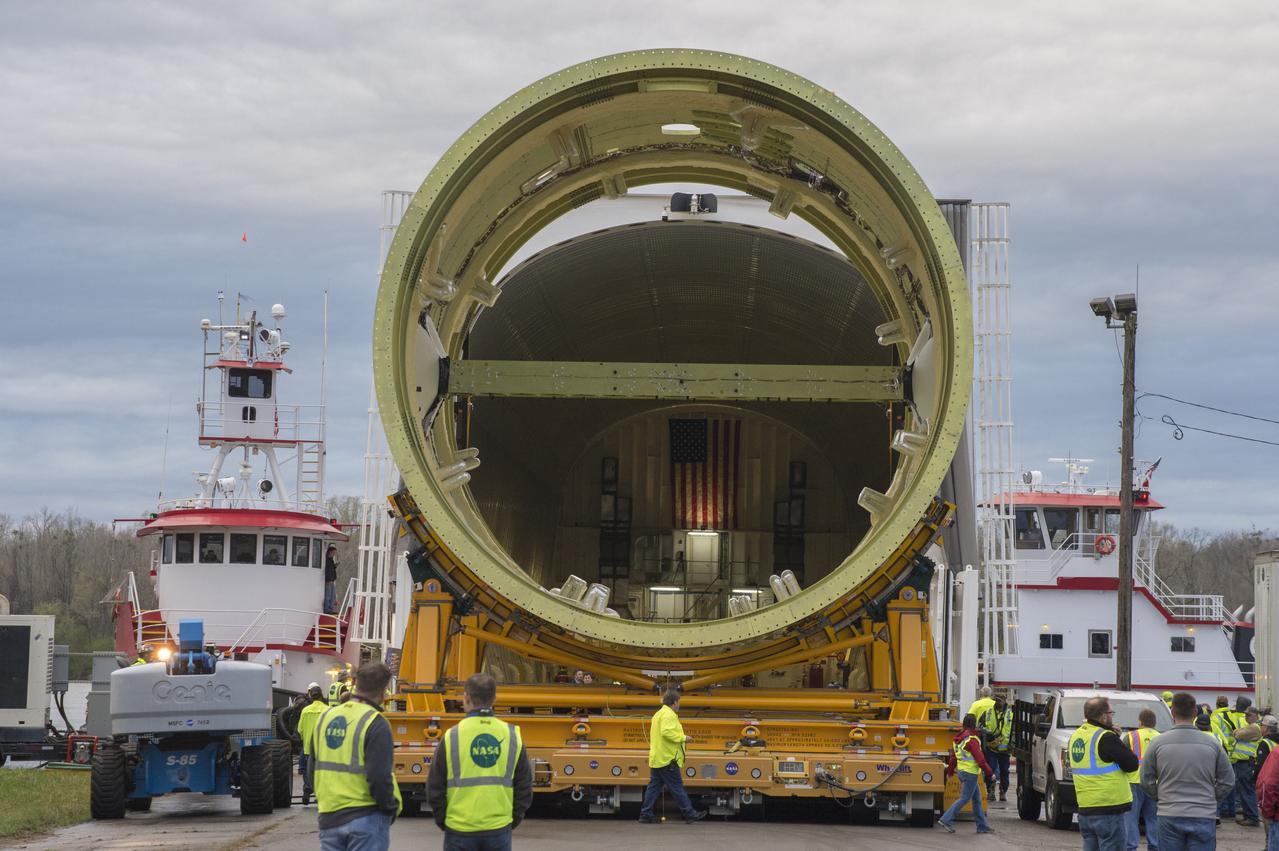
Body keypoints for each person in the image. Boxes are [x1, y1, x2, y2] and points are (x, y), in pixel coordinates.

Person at [427, 672, 533, 850]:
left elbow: (434, 786)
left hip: (459, 828)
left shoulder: (452, 736)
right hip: (499, 828)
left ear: (466, 698)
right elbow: (524, 785)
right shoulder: (512, 735)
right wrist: (512, 819)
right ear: (494, 699)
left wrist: (443, 820)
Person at [308, 662, 401, 851]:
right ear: (383, 693)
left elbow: (312, 767)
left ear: (356, 684)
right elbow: (379, 776)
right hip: (366, 817)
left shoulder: (325, 718)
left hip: (329, 816)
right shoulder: (376, 722)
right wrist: (389, 807)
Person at [1140, 692, 1235, 851]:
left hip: (1169, 813)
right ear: (1195, 713)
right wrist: (1211, 798)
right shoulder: (1212, 744)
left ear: (1172, 712)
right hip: (1203, 814)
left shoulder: (1157, 743)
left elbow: (1145, 779)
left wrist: (1160, 797)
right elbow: (1228, 780)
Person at [1069, 696, 1139, 851]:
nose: (1112, 716)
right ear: (1103, 716)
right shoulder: (1106, 738)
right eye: (1111, 713)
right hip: (1109, 808)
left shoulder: (1076, 736)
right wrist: (1116, 738)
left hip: (1086, 808)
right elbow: (1132, 764)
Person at [638, 689, 706, 824]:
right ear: (675, 702)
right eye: (679, 701)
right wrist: (683, 738)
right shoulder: (669, 715)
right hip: (667, 759)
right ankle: (690, 813)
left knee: (654, 787)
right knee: (677, 787)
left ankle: (645, 814)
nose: (679, 704)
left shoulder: (658, 714)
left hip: (658, 757)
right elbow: (666, 732)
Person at [938, 713, 996, 834]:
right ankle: (946, 820)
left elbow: (953, 758)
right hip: (970, 774)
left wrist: (950, 771)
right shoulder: (972, 740)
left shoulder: (957, 739)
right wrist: (990, 773)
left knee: (976, 800)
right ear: (973, 724)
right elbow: (980, 760)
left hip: (962, 772)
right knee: (964, 798)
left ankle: (982, 826)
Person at [1125, 708, 1161, 851]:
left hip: (1134, 781)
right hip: (1155, 783)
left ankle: (1131, 847)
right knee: (1153, 818)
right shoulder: (1161, 737)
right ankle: (1155, 846)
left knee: (1131, 818)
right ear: (1154, 722)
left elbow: (1123, 758)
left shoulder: (1130, 736)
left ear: (1140, 722)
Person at [1230, 705, 1264, 827]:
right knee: (1245, 790)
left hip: (1246, 763)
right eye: (1245, 714)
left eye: (1249, 715)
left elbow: (1237, 734)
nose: (1246, 716)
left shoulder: (1254, 728)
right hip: (1243, 763)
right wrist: (1238, 731)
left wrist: (1237, 732)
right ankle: (1248, 815)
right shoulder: (1250, 727)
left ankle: (1252, 817)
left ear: (1256, 716)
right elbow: (1238, 733)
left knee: (1247, 790)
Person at [296, 683, 327, 806]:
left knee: (304, 768)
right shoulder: (327, 710)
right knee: (321, 770)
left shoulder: (305, 711)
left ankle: (308, 787)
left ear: (311, 696)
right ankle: (320, 794)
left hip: (308, 747)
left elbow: (300, 730)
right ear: (321, 695)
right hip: (323, 748)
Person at [979, 695, 1013, 802]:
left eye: (1000, 701)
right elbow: (980, 725)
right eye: (996, 700)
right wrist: (985, 733)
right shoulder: (988, 713)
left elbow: (1013, 731)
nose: (998, 703)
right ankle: (990, 790)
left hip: (1004, 749)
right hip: (991, 748)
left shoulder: (1010, 714)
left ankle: (1003, 791)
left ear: (1004, 701)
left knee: (1004, 771)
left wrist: (1012, 745)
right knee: (991, 769)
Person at [1211, 696, 1239, 819]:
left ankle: (1222, 811)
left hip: (1223, 752)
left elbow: (1217, 735)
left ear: (1217, 705)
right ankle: (1232, 811)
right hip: (1237, 753)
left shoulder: (1215, 718)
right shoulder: (1234, 715)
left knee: (1220, 781)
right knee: (1231, 783)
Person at [1255, 715, 1279, 851]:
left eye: (1262, 725)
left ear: (1267, 728)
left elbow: (1268, 782)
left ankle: (1267, 842)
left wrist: (1267, 811)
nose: (1260, 728)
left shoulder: (1266, 744)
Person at [324, 544, 339, 615]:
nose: (334, 554)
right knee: (328, 595)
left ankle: (330, 608)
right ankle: (327, 609)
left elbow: (332, 568)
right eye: (333, 552)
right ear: (330, 552)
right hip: (329, 580)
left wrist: (335, 565)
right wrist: (329, 579)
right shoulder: (326, 560)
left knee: (332, 596)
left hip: (332, 580)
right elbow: (327, 570)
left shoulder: (330, 560)